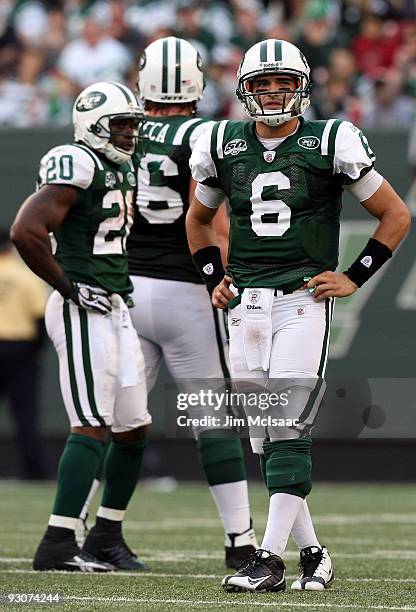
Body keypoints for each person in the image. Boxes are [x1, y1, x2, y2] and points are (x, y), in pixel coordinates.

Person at [186, 39, 410, 593]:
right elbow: (197, 220)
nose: (273, 92)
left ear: (301, 87)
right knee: (264, 438)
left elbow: (395, 215)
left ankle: (268, 558)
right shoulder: (219, 142)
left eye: (283, 82)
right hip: (245, 308)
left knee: (287, 426)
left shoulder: (330, 139)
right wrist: (215, 278)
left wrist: (354, 275)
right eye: (262, 83)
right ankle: (312, 552)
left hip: (301, 300)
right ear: (245, 89)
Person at [127, 36, 257, 568]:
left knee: (117, 418)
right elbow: (213, 221)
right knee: (211, 416)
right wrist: (228, 278)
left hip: (127, 289)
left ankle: (83, 528)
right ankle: (239, 539)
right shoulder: (206, 133)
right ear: (195, 83)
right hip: (185, 291)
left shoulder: (121, 126)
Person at [11, 81, 151, 572]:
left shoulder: (119, 164)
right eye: (122, 124)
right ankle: (57, 541)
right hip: (82, 306)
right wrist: (69, 287)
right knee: (91, 424)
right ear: (94, 125)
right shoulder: (78, 160)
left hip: (116, 306)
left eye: (133, 124)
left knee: (133, 427)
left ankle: (106, 536)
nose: (130, 133)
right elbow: (26, 230)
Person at [0, 228, 48, 479]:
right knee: (25, 415)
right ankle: (33, 472)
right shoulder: (25, 275)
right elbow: (40, 317)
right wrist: (38, 350)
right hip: (20, 350)